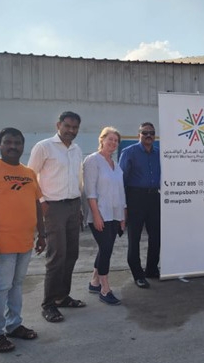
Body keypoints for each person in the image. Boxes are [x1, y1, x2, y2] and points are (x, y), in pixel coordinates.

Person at [0, 127, 46, 353]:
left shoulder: (28, 173)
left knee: (17, 285)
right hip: (1, 244)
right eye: (8, 142)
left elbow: (36, 204)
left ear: (23, 146)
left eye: (17, 143)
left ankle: (13, 325)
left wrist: (42, 234)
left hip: (25, 242)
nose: (13, 146)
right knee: (1, 286)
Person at [27, 111, 85, 323]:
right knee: (56, 256)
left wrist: (78, 207)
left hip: (72, 205)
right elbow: (30, 177)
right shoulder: (44, 147)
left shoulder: (77, 149)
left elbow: (77, 179)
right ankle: (48, 304)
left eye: (75, 128)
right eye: (68, 126)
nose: (71, 131)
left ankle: (62, 296)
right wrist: (41, 204)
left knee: (72, 254)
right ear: (58, 124)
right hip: (53, 207)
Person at [82, 127, 126, 306]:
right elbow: (89, 191)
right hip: (99, 213)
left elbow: (120, 192)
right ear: (102, 140)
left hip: (114, 214)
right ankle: (105, 288)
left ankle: (94, 282)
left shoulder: (116, 165)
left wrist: (123, 216)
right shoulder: (93, 161)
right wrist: (96, 215)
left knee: (105, 247)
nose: (113, 143)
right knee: (106, 248)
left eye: (116, 140)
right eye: (110, 139)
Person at [118, 122, 161, 288]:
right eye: (145, 133)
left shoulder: (159, 153)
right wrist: (123, 205)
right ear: (139, 135)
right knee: (134, 237)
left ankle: (151, 269)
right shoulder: (129, 152)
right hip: (135, 197)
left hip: (154, 197)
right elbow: (121, 179)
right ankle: (137, 274)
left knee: (156, 236)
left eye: (151, 133)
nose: (148, 135)